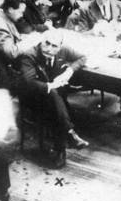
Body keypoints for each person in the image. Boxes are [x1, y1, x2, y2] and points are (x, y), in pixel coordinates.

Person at [17, 29, 89, 168]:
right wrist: (51, 85)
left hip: (52, 96)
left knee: (55, 100)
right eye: (46, 43)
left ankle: (62, 145)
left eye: (54, 46)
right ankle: (68, 136)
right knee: (55, 99)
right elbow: (29, 82)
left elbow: (83, 57)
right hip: (32, 95)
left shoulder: (64, 50)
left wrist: (70, 70)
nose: (49, 49)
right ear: (41, 41)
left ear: (60, 46)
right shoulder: (29, 55)